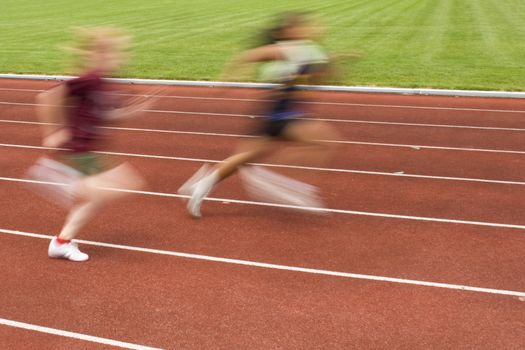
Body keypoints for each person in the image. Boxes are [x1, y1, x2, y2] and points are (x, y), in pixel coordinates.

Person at [179, 12, 340, 218]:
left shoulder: (311, 50)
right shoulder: (290, 48)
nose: (315, 27)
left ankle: (201, 185)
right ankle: (273, 179)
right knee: (324, 141)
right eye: (309, 25)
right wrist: (230, 77)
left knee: (246, 157)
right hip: (282, 113)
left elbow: (317, 81)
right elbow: (249, 56)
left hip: (284, 111)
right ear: (292, 30)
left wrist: (335, 64)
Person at [30, 27, 156, 261]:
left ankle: (62, 240)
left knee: (106, 192)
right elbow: (47, 97)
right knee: (116, 186)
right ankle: (59, 184)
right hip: (81, 149)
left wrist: (132, 111)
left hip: (91, 149)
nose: (122, 56)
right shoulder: (91, 79)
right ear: (100, 55)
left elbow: (105, 115)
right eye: (117, 52)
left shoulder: (105, 83)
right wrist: (52, 132)